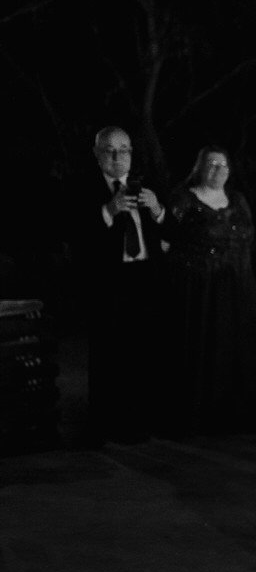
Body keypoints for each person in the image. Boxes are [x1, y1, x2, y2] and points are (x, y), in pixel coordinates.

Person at [158, 146, 256, 436]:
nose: (218, 170)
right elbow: (165, 238)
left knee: (237, 350)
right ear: (199, 168)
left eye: (223, 165)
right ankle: (201, 416)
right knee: (205, 348)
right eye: (212, 164)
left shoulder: (237, 200)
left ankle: (240, 415)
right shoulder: (184, 198)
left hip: (237, 287)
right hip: (201, 291)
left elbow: (248, 237)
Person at [75, 126, 165, 445]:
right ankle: (106, 425)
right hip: (108, 284)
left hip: (144, 279)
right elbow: (77, 238)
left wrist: (157, 209)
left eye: (124, 149)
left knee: (143, 353)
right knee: (109, 355)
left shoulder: (146, 186)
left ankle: (141, 422)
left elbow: (169, 234)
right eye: (111, 150)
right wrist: (107, 211)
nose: (118, 157)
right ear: (98, 154)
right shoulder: (84, 189)